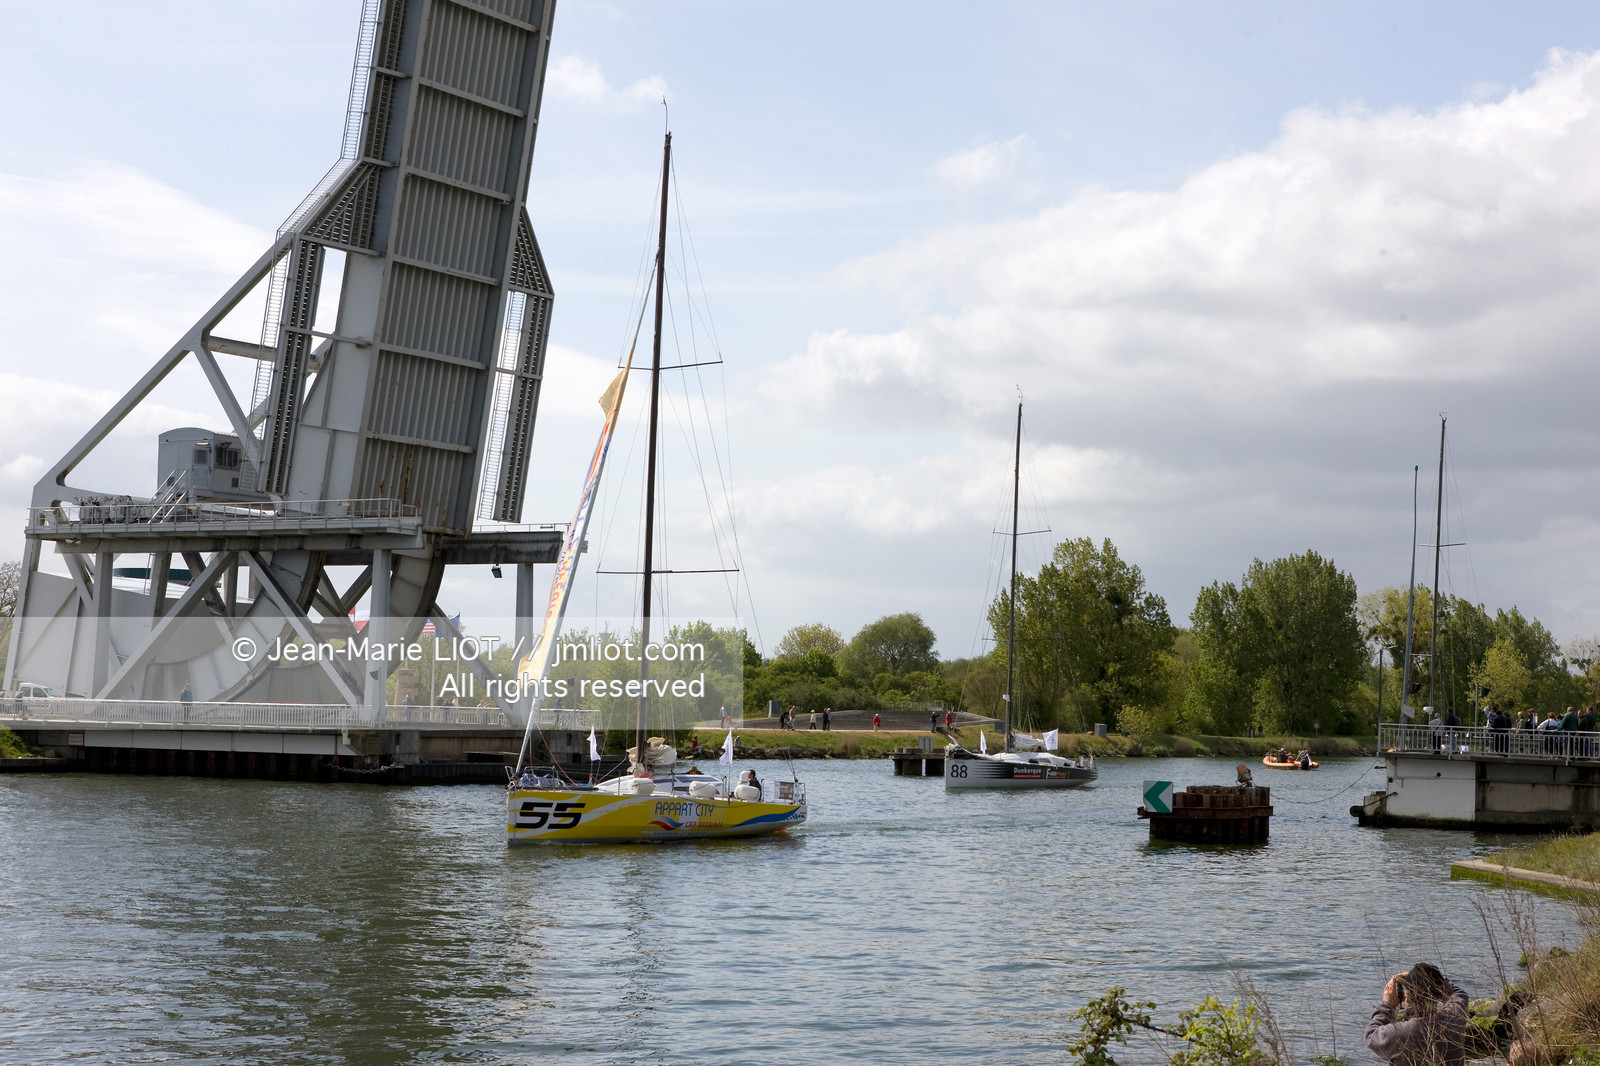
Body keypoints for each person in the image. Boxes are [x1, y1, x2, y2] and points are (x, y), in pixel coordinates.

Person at [1365, 962, 1469, 1066]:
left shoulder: (1398, 1033)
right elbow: (1458, 994)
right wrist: (1429, 977)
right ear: (1437, 994)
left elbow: (1370, 1035)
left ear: (1407, 998)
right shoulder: (1454, 1020)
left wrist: (1387, 1005)